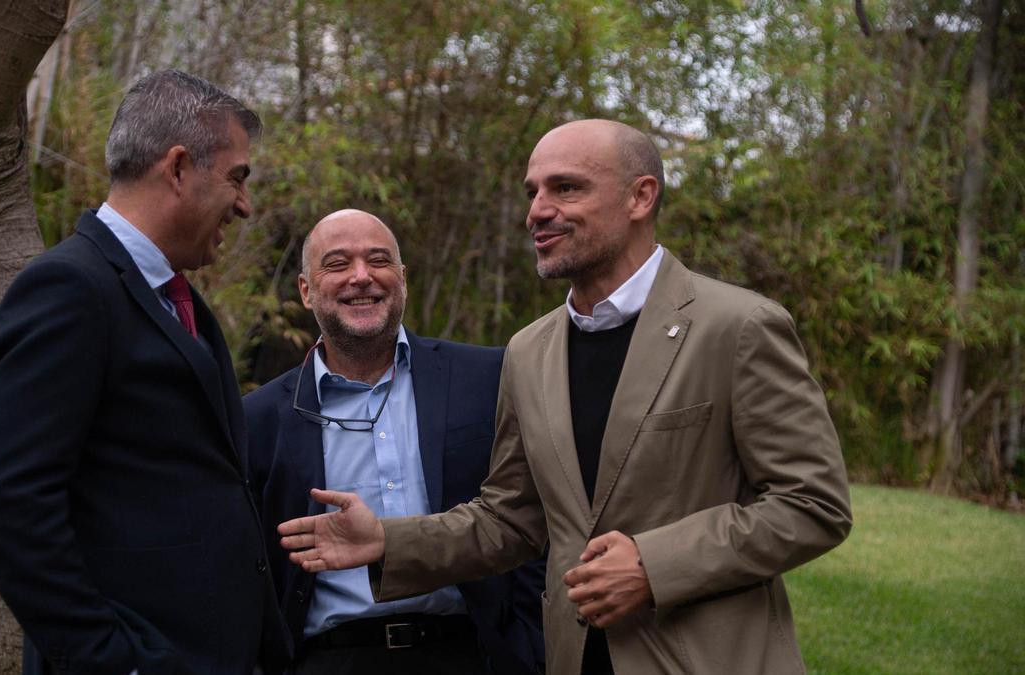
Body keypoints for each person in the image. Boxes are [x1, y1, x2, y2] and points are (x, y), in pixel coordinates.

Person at [276, 120, 853, 674]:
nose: (537, 211)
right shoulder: (530, 352)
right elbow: (512, 520)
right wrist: (390, 541)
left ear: (640, 197)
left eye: (566, 188)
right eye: (533, 193)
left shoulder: (739, 326)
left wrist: (656, 565)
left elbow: (813, 505)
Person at [0, 70, 290, 675]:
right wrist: (113, 662)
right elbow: (9, 503)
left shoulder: (179, 301)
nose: (245, 206)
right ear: (176, 168)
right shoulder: (68, 288)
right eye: (236, 178)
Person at [243, 209, 545, 675]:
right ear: (305, 290)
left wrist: (531, 646)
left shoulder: (488, 377)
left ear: (402, 279)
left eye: (378, 260)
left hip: (473, 652)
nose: (361, 277)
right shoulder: (259, 417)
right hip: (329, 659)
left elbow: (531, 514)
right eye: (337, 264)